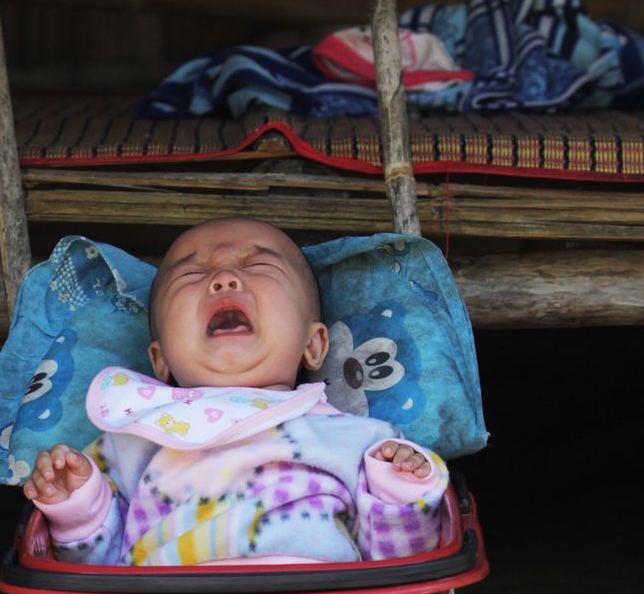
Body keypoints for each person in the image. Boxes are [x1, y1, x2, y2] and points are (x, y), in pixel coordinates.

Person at [23, 217, 448, 566]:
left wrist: (401, 493)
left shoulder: (361, 440)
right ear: (160, 360)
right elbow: (96, 570)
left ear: (314, 344)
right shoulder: (132, 435)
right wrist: (76, 507)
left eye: (259, 267)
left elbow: (403, 567)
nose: (224, 278)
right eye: (193, 273)